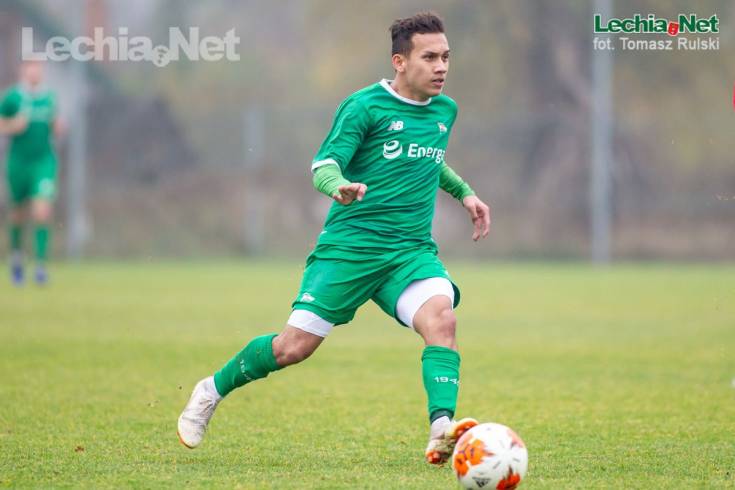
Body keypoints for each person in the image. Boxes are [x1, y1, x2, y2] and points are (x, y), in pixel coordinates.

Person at [178, 11, 491, 465]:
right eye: (429, 57)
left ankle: (442, 428)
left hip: (409, 252)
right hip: (349, 249)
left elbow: (428, 159)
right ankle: (211, 390)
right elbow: (324, 164)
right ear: (400, 62)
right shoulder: (364, 107)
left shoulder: (445, 111)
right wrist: (337, 186)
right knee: (292, 348)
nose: (441, 67)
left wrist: (465, 193)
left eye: (445, 57)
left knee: (442, 321)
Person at [0, 60, 61, 286]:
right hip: (18, 162)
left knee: (42, 211)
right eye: (30, 68)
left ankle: (40, 266)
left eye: (38, 69)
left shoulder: (49, 98)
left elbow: (55, 126)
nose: (35, 73)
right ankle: (16, 258)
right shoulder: (12, 98)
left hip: (43, 162)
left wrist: (57, 126)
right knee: (17, 212)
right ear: (23, 71)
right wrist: (12, 126)